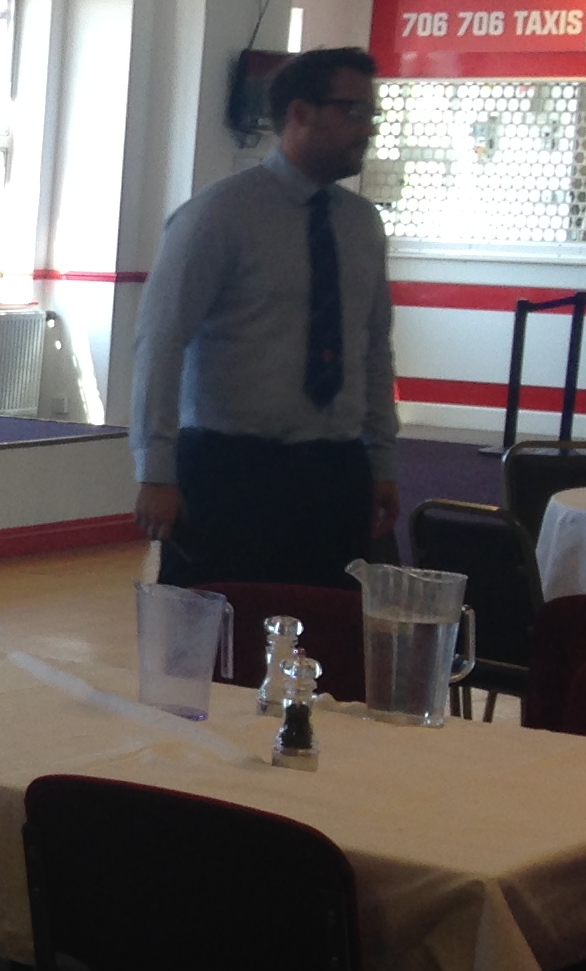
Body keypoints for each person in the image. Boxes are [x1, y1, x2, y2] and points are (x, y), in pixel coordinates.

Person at [130, 47, 400, 588]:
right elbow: (160, 343)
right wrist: (156, 472)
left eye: (371, 113)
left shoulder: (361, 224)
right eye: (352, 111)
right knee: (219, 630)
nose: (367, 128)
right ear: (300, 113)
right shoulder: (219, 215)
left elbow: (373, 351)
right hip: (232, 469)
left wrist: (382, 462)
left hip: (336, 470)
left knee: (328, 627)